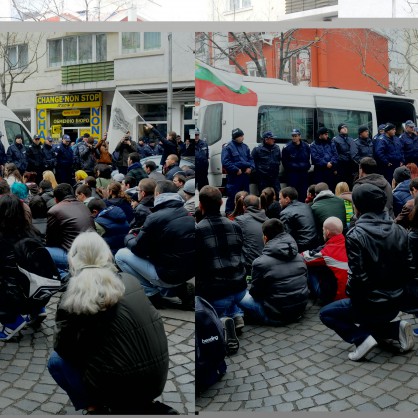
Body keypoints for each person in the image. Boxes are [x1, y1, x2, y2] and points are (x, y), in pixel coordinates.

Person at [47, 231, 170, 414]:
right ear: (106, 255)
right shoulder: (130, 281)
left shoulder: (72, 297)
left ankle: (94, 408)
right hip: (155, 380)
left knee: (56, 362)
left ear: (73, 260)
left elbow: (64, 349)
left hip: (117, 386)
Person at [320, 183, 415, 361]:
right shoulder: (400, 230)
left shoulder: (356, 234)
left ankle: (361, 338)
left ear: (358, 206)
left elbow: (358, 277)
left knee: (326, 313)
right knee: (368, 317)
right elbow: (409, 269)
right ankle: (396, 329)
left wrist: (353, 296)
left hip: (369, 303)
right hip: (395, 301)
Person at [115, 180, 195, 310]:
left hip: (167, 275)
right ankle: (181, 289)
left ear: (157, 194)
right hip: (188, 272)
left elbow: (137, 249)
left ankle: (151, 293)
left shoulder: (155, 217)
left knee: (120, 254)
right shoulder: (187, 213)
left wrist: (128, 237)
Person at [196, 186, 246, 352]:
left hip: (216, 293)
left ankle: (223, 321)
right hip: (239, 288)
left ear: (201, 206)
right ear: (221, 203)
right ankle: (234, 313)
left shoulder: (198, 230)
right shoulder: (235, 226)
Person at [238, 218, 308, 326]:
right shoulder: (299, 257)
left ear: (265, 238)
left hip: (275, 315)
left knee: (238, 295)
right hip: (299, 310)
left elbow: (256, 293)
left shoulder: (260, 262)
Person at [0, 194, 50, 340]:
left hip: (14, 295)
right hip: (40, 290)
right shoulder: (33, 231)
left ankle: (12, 323)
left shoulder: (3, 238)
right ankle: (37, 309)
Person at [46, 183, 95, 273]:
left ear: (56, 199)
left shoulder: (54, 210)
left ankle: (63, 276)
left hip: (77, 258)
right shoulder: (84, 206)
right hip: (93, 253)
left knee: (43, 251)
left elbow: (50, 240)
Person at [301, 216, 348, 305]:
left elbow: (303, 258)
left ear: (327, 232)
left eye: (323, 230)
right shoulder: (349, 244)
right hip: (350, 294)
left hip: (336, 298)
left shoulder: (327, 252)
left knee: (310, 266)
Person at [221, 128, 255, 215]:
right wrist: (235, 169)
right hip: (235, 175)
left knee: (245, 195)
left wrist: (250, 168)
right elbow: (225, 162)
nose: (243, 138)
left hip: (245, 175)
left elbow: (251, 159)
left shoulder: (245, 147)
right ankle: (229, 213)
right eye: (241, 136)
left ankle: (245, 212)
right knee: (233, 195)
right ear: (236, 137)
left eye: (243, 136)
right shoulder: (228, 147)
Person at [234, 194, 267, 276]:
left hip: (249, 267)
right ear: (259, 206)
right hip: (268, 264)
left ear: (244, 207)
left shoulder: (239, 221)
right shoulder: (269, 221)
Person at [279, 186, 318, 252]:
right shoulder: (306, 206)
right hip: (315, 243)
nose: (279, 201)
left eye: (280, 199)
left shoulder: (285, 213)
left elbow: (286, 236)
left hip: (301, 247)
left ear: (287, 199)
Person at [281, 128, 311, 202]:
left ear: (299, 136)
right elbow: (285, 163)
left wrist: (306, 167)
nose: (294, 137)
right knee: (292, 193)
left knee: (303, 192)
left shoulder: (306, 146)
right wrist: (296, 167)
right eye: (293, 136)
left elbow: (307, 159)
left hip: (303, 174)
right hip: (292, 174)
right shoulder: (287, 147)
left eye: (295, 136)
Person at [251, 130, 281, 196]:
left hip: (274, 177)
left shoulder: (276, 148)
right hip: (263, 178)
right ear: (266, 139)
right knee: (264, 195)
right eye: (272, 138)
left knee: (277, 194)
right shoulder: (257, 149)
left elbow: (278, 159)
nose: (274, 140)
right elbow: (252, 161)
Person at [310, 127, 338, 191]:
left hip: (330, 169)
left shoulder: (331, 143)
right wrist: (326, 164)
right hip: (319, 171)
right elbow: (315, 158)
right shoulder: (314, 145)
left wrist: (331, 162)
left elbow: (335, 155)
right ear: (320, 135)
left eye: (327, 134)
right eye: (325, 134)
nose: (327, 136)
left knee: (331, 188)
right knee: (320, 189)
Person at [332, 123, 357, 188]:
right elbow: (334, 154)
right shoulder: (335, 139)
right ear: (339, 130)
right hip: (341, 165)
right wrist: (335, 168)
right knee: (341, 183)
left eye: (346, 127)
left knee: (350, 182)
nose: (345, 129)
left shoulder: (351, 139)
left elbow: (354, 151)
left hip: (350, 164)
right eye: (343, 128)